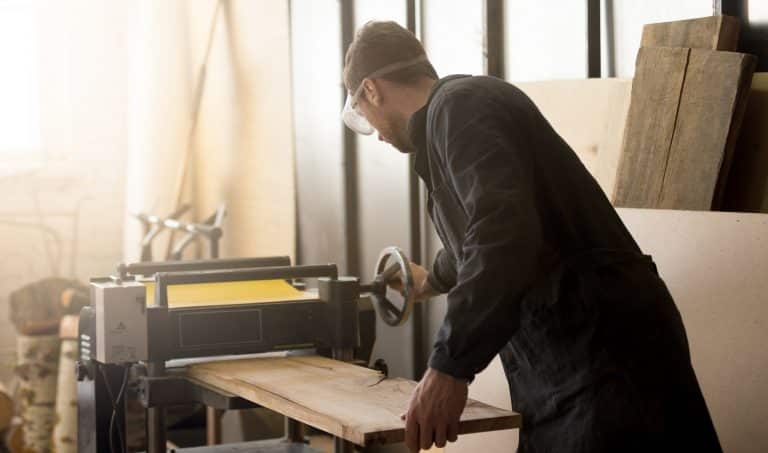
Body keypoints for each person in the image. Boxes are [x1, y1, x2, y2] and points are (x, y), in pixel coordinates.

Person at [341, 20, 722, 453]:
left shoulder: (459, 108)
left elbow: (501, 233)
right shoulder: (455, 118)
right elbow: (483, 233)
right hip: (575, 355)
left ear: (371, 90)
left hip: (602, 354)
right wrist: (429, 280)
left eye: (361, 111)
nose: (373, 134)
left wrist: (449, 367)